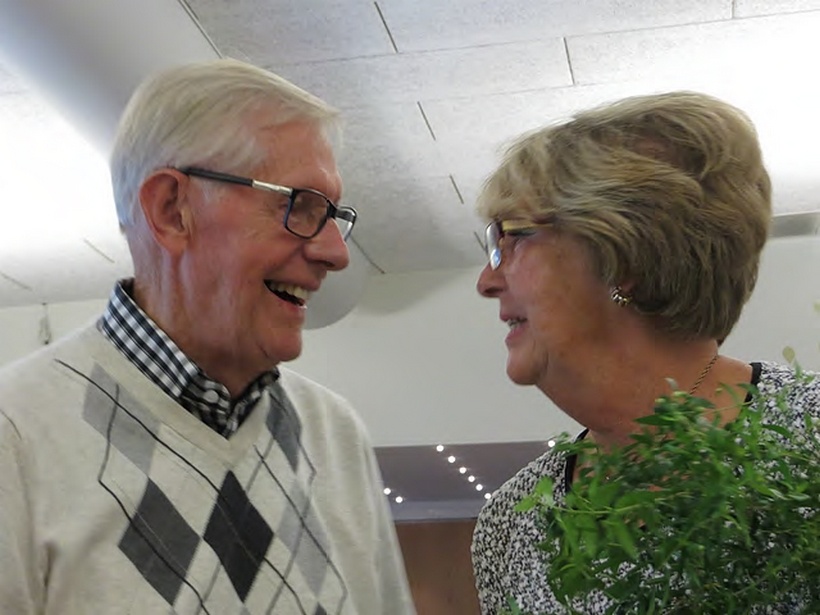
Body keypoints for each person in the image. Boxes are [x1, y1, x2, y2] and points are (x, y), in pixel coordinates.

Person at [0, 58, 415, 614]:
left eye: (332, 214)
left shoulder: (333, 435)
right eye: (299, 206)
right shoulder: (16, 433)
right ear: (172, 210)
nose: (335, 253)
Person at [470, 91, 820, 614]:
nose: (486, 280)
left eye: (515, 238)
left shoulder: (808, 439)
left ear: (625, 255)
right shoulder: (511, 526)